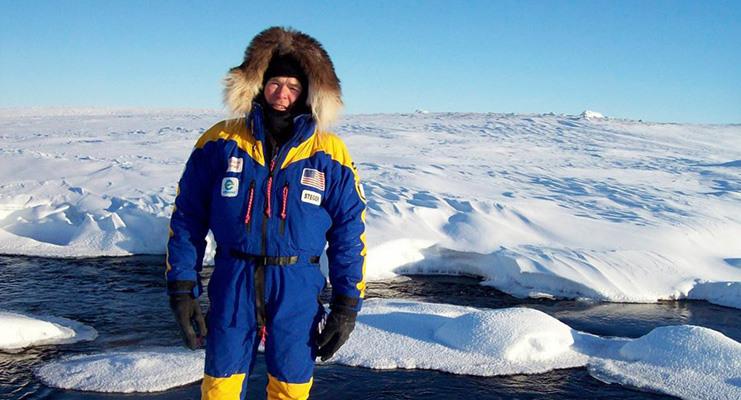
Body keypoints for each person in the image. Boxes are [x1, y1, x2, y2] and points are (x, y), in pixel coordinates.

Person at [165, 26, 367, 400]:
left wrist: (346, 304)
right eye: (275, 83)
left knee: (291, 390)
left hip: (297, 286)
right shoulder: (221, 141)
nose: (283, 95)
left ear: (308, 92)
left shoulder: (330, 153)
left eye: (293, 86)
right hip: (232, 282)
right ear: (258, 84)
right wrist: (182, 288)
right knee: (219, 388)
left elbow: (348, 234)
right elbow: (187, 219)